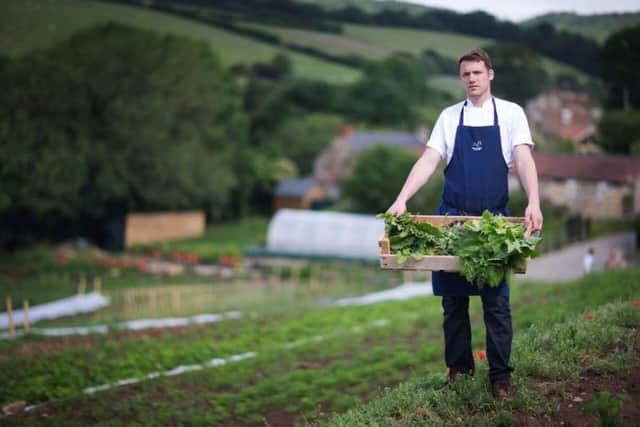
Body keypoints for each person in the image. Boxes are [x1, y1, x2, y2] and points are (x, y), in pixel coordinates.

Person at [387, 48, 543, 400]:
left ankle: (501, 377)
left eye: (476, 72)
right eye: (465, 74)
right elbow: (429, 160)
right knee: (453, 305)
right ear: (461, 79)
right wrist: (402, 199)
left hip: (493, 226)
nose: (471, 79)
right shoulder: (448, 117)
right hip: (452, 222)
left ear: (490, 74)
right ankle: (459, 371)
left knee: (496, 305)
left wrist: (534, 201)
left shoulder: (511, 114)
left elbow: (523, 158)